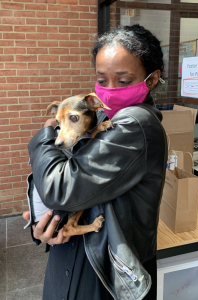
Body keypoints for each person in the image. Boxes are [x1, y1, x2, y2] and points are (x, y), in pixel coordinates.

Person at [23, 24, 167, 300]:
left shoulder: (136, 124)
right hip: (72, 251)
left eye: (123, 81)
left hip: (105, 273)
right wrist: (44, 217)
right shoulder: (100, 118)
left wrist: (46, 132)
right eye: (102, 80)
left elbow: (58, 187)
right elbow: (59, 178)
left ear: (150, 80)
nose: (109, 90)